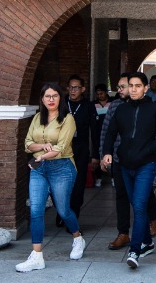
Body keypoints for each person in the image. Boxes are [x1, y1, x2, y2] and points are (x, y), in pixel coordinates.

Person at [17, 82, 86, 271]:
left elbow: (61, 148)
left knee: (63, 210)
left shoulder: (68, 119)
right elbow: (27, 144)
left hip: (62, 167)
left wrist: (40, 156)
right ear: (42, 99)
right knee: (35, 210)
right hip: (39, 169)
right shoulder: (37, 117)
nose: (51, 99)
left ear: (60, 98)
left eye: (55, 95)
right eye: (47, 96)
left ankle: (77, 238)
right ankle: (37, 256)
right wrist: (42, 147)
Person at [102, 72, 156, 269]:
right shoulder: (121, 109)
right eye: (131, 85)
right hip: (124, 165)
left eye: (138, 86)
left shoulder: (154, 109)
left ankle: (135, 250)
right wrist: (107, 153)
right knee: (135, 204)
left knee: (139, 205)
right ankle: (147, 242)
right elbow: (110, 133)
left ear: (145, 88)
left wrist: (149, 150)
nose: (133, 89)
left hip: (145, 165)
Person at [100, 77, 135, 248]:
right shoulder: (115, 106)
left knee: (142, 196)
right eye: (118, 86)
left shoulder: (147, 106)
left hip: (140, 160)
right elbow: (106, 131)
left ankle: (150, 222)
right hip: (118, 158)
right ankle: (123, 233)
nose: (119, 90)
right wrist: (103, 154)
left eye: (122, 87)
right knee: (121, 195)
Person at [64, 76, 96, 220]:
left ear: (83, 89)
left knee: (78, 183)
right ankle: (62, 212)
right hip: (62, 149)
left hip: (81, 149)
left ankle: (73, 217)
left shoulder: (88, 106)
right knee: (62, 183)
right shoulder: (62, 103)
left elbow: (94, 131)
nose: (73, 90)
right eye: (71, 87)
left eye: (76, 87)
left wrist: (95, 155)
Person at [91, 85, 111, 187]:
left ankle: (113, 177)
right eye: (97, 94)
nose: (99, 96)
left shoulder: (112, 102)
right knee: (97, 155)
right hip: (97, 133)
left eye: (101, 93)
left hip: (110, 133)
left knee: (110, 154)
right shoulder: (93, 104)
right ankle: (98, 177)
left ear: (106, 92)